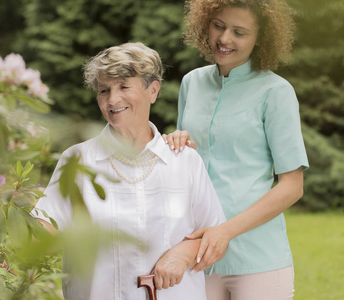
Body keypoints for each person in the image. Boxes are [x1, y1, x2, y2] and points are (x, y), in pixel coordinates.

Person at [32, 42, 226, 300]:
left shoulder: (185, 161)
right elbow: (42, 235)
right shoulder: (77, 160)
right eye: (104, 90)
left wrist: (183, 254)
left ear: (153, 91)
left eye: (124, 86)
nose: (113, 100)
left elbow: (215, 235)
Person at [163, 0, 309, 299]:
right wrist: (175, 142)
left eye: (239, 32)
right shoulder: (192, 83)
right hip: (195, 255)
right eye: (219, 26)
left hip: (257, 258)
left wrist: (224, 232)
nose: (224, 39)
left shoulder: (276, 92)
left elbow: (292, 187)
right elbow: (186, 162)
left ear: (260, 39)